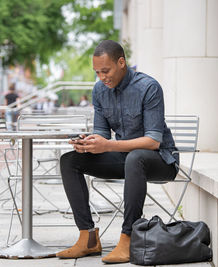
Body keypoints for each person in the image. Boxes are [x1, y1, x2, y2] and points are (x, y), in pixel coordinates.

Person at [56, 40, 179, 264]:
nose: (102, 77)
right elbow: (102, 135)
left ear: (121, 62)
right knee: (70, 161)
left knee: (136, 157)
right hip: (127, 159)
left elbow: (152, 141)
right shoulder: (99, 91)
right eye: (97, 72)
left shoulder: (148, 87)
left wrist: (108, 145)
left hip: (161, 160)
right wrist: (88, 143)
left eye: (106, 70)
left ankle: (129, 238)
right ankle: (88, 238)